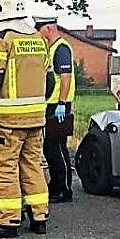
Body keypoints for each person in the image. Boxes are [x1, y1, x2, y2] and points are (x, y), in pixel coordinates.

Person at [0, 0, 53, 239]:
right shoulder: (39, 40)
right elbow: (49, 81)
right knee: (32, 166)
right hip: (36, 120)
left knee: (5, 168)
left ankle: (7, 222)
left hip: (8, 122)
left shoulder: (2, 40)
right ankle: (39, 216)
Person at [35, 16, 75, 204]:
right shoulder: (52, 48)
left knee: (57, 148)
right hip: (51, 105)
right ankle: (56, 184)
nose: (39, 34)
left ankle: (64, 188)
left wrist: (61, 102)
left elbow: (65, 77)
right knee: (49, 148)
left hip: (59, 106)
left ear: (49, 28)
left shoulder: (61, 48)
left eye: (40, 30)